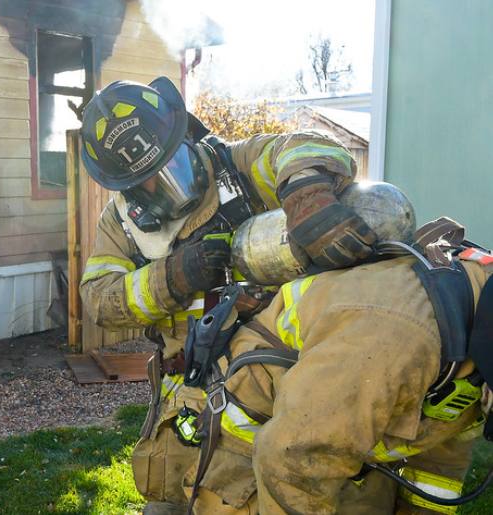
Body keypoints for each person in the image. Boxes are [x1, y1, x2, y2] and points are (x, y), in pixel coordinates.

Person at [77, 77, 377, 514]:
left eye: (172, 164)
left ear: (185, 135)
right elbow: (99, 300)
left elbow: (314, 147)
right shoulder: (120, 224)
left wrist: (305, 193)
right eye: (146, 181)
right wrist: (172, 278)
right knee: (169, 504)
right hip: (188, 394)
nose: (166, 186)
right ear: (125, 185)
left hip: (278, 379)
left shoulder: (238, 165)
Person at [184, 217, 493, 515]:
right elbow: (291, 461)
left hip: (343, 432)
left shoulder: (477, 340)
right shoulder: (392, 340)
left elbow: (444, 453)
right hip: (252, 436)